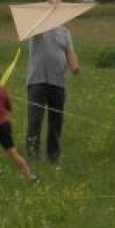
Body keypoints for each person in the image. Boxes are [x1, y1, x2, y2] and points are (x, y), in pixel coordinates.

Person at [24, 16, 80, 165]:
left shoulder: (64, 32)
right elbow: (34, 27)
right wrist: (47, 10)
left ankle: (53, 155)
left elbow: (69, 51)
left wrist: (74, 66)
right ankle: (32, 155)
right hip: (38, 80)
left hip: (58, 82)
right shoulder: (39, 28)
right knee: (35, 119)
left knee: (56, 121)